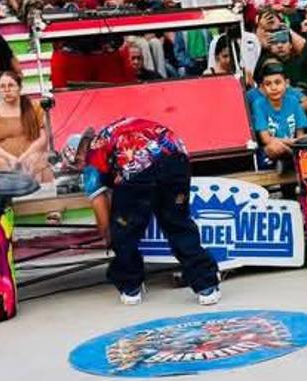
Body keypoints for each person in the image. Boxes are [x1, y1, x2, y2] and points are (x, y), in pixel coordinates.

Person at [62, 118, 221, 306]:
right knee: (178, 224)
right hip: (176, 161)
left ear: (78, 155)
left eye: (76, 166)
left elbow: (100, 206)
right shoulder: (116, 129)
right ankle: (206, 286)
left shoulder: (92, 157)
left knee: (124, 232)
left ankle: (131, 288)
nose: (80, 169)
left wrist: (109, 234)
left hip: (136, 171)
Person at [0, 71, 52, 184]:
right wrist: (10, 158)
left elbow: (43, 138)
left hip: (31, 154)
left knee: (36, 162)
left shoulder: (34, 107)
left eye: (11, 85)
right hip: (4, 158)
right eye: (2, 87)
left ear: (19, 88)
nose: (7, 90)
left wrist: (25, 156)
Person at [251, 59, 307, 169]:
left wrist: (296, 142)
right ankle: (294, 160)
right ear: (262, 88)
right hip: (271, 150)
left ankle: (289, 162)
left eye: (278, 82)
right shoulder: (258, 104)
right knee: (276, 147)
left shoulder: (293, 101)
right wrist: (291, 142)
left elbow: (300, 135)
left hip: (294, 146)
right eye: (268, 84)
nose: (273, 87)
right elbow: (266, 139)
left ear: (286, 83)